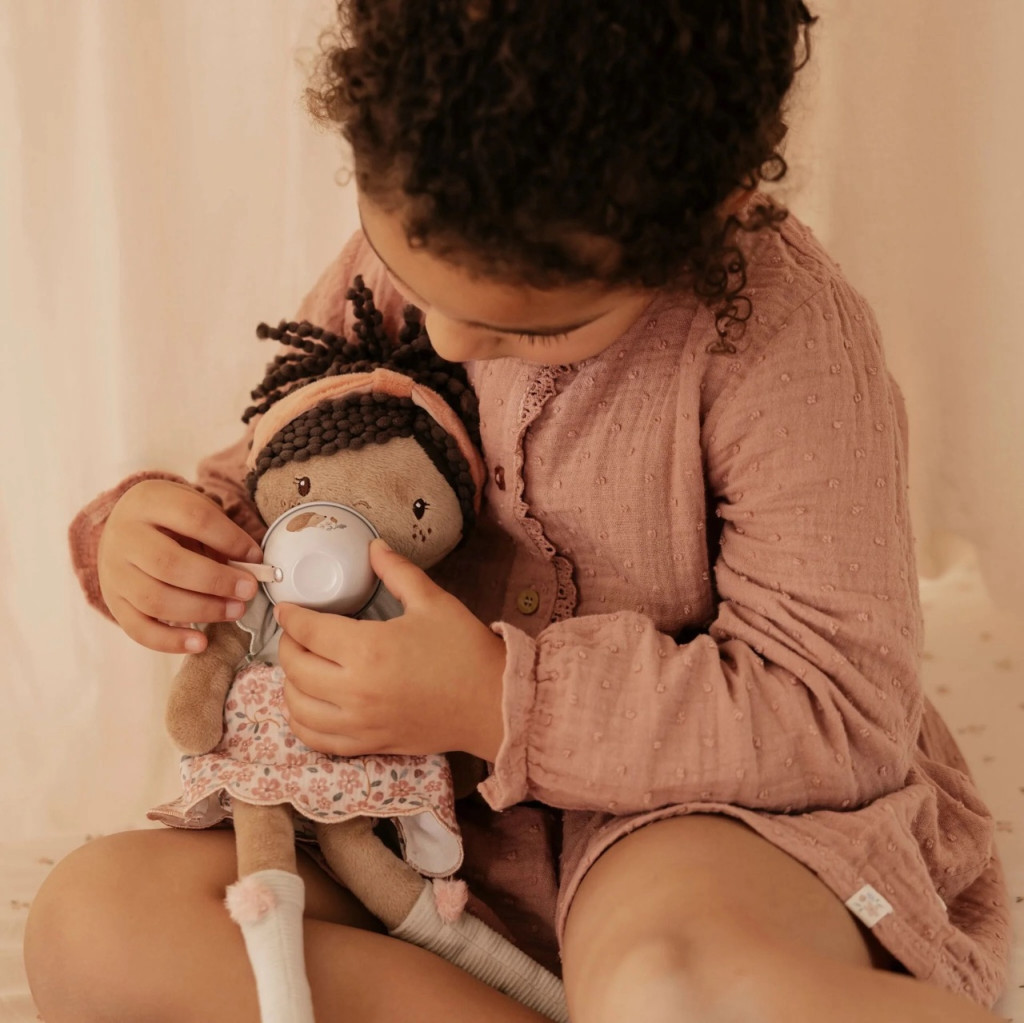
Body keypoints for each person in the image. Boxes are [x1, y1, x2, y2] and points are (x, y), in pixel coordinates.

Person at [25, 3, 1010, 1021]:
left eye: (532, 329)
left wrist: (499, 702)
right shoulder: (431, 236)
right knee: (91, 925)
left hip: (695, 825)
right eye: (415, 282)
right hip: (403, 839)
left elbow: (836, 715)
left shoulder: (778, 341)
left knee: (671, 983)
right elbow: (283, 476)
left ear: (711, 213)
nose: (447, 344)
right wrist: (164, 536)